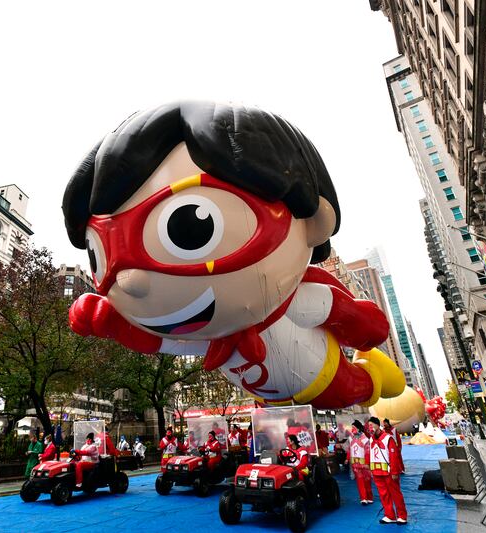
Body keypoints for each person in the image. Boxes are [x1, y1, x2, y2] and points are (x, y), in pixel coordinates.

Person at [64, 101, 406, 411]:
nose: (131, 282)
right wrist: (114, 324)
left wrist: (364, 329)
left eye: (192, 225)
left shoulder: (301, 301)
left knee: (349, 391)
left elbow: (350, 315)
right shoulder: (204, 334)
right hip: (261, 395)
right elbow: (160, 342)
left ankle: (375, 376)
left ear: (315, 220)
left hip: (322, 375)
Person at [368, 417, 407, 525]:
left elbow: (393, 456)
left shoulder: (388, 438)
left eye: (372, 425)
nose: (370, 427)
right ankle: (390, 515)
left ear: (377, 425)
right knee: (383, 494)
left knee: (396, 494)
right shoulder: (371, 439)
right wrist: (371, 469)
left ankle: (402, 516)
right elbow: (371, 455)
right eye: (369, 426)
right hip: (377, 472)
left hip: (388, 472)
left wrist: (394, 472)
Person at [348, 420, 374, 505]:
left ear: (358, 428)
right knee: (360, 482)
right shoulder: (351, 439)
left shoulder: (365, 439)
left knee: (367, 481)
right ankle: (363, 498)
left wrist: (367, 463)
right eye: (352, 428)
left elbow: (367, 451)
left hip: (364, 465)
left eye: (354, 428)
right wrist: (347, 458)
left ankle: (369, 497)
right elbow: (349, 450)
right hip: (355, 465)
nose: (352, 430)